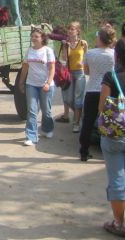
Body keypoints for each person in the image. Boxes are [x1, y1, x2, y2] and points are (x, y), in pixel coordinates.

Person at [100, 39, 125, 237]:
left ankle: (119, 224)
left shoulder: (111, 76)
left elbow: (102, 108)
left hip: (116, 133)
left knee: (117, 179)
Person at [79, 26, 116, 161]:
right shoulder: (114, 54)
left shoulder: (90, 53)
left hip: (92, 90)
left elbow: (86, 71)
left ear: (100, 38)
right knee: (109, 122)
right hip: (108, 90)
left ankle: (84, 151)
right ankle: (109, 151)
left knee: (88, 122)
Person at [18, 28, 56, 146]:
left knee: (46, 110)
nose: (33, 38)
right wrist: (21, 82)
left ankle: (47, 129)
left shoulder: (48, 51)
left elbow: (52, 68)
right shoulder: (29, 51)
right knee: (32, 110)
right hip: (31, 84)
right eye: (32, 36)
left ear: (42, 38)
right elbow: (25, 68)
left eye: (36, 36)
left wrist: (48, 83)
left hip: (45, 85)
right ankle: (31, 136)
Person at [56, 21, 88, 133]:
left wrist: (86, 68)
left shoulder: (83, 43)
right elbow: (64, 58)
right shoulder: (66, 43)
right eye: (69, 29)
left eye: (72, 29)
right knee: (68, 99)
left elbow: (87, 58)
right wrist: (65, 46)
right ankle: (80, 115)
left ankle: (77, 123)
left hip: (80, 73)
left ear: (78, 31)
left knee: (78, 99)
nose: (70, 31)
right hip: (69, 73)